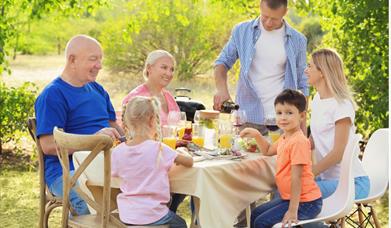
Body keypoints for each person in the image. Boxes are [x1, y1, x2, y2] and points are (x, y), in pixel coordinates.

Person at [35, 34, 124, 215]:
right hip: (68, 172)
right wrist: (94, 140)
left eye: (100, 59)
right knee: (93, 206)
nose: (99, 65)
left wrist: (132, 139)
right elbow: (48, 145)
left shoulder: (98, 89)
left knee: (149, 191)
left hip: (106, 166)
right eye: (93, 59)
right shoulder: (53, 94)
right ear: (72, 60)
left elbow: (114, 126)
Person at [213, 0, 308, 136]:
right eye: (264, 16)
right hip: (247, 118)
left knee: (281, 158)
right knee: (245, 156)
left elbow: (303, 83)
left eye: (274, 19)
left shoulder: (298, 40)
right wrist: (221, 90)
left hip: (284, 121)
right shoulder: (242, 31)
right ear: (260, 6)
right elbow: (222, 63)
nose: (268, 23)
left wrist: (302, 126)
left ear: (285, 12)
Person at [240, 89, 322, 228]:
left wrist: (292, 210)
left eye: (289, 113)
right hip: (289, 198)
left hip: (307, 202)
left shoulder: (298, 141)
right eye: (279, 113)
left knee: (261, 222)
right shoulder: (285, 137)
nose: (283, 117)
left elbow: (297, 178)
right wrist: (256, 135)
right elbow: (267, 150)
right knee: (255, 214)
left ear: (302, 116)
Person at [111, 96, 193, 227]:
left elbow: (114, 174)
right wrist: (182, 152)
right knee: (181, 223)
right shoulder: (159, 148)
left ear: (127, 122)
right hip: (153, 214)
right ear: (151, 120)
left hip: (127, 215)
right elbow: (189, 162)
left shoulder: (118, 151)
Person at [305, 48, 370, 200]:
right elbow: (313, 141)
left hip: (351, 182)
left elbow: (338, 153)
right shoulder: (317, 100)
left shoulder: (341, 105)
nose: (305, 70)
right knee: (284, 186)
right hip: (327, 179)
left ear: (322, 72)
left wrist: (309, 173)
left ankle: (318, 225)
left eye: (310, 66)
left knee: (296, 191)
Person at [122, 49, 180, 126]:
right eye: (164, 67)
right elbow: (127, 132)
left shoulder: (169, 97)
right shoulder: (136, 98)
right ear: (149, 68)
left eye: (172, 69)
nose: (169, 73)